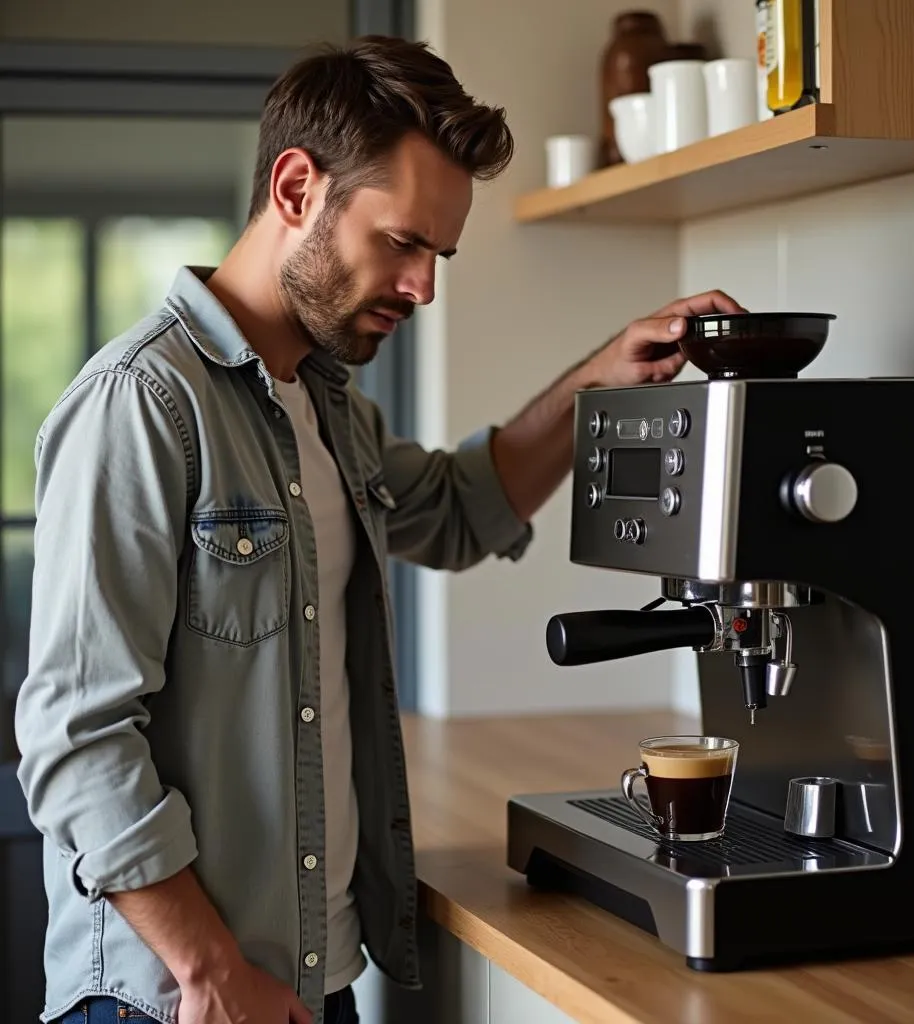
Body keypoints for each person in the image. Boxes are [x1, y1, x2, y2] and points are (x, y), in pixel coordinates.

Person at [14, 34, 742, 1024]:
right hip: (173, 997)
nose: (422, 288)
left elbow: (455, 507)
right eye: (401, 243)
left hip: (309, 983)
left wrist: (602, 375)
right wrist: (208, 970)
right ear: (295, 188)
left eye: (437, 255)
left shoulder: (330, 411)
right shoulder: (143, 403)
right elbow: (74, 738)